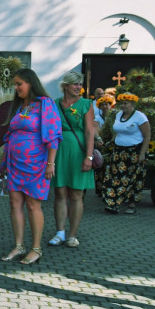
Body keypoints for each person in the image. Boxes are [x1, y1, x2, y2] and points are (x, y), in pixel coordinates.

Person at [0, 69, 61, 265]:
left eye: (19, 84)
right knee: (14, 204)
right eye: (15, 84)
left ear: (30, 83)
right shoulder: (19, 107)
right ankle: (19, 246)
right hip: (15, 165)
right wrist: (5, 162)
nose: (16, 88)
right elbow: (10, 134)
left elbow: (53, 135)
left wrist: (51, 162)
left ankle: (36, 248)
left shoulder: (44, 104)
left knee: (33, 205)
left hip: (36, 165)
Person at [50, 71, 95, 248]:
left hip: (78, 152)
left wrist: (89, 156)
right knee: (60, 193)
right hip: (59, 151)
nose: (78, 87)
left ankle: (72, 235)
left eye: (80, 84)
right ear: (65, 86)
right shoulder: (55, 104)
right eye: (75, 84)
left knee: (76, 194)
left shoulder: (86, 104)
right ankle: (59, 232)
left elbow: (90, 131)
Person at [101, 92, 150, 214]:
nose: (123, 106)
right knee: (115, 177)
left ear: (132, 104)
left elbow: (147, 135)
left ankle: (131, 204)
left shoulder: (140, 117)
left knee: (131, 179)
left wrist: (142, 153)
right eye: (121, 103)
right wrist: (111, 143)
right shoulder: (118, 115)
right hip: (119, 151)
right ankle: (113, 203)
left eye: (125, 103)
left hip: (134, 151)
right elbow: (118, 131)